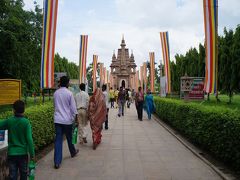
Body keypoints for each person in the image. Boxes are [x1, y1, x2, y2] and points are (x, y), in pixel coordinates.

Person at [0, 100, 35, 180]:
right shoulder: (26, 122)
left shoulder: (9, 121)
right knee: (23, 174)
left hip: (12, 154)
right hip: (23, 154)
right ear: (24, 110)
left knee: (13, 175)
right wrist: (32, 154)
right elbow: (29, 139)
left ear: (13, 110)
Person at [53, 76, 79, 169]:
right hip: (67, 120)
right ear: (68, 83)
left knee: (58, 140)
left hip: (58, 120)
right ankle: (73, 152)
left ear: (60, 83)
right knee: (69, 138)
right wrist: (75, 119)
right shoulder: (69, 93)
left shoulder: (56, 93)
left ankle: (57, 162)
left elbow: (54, 106)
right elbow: (73, 108)